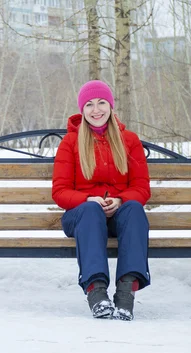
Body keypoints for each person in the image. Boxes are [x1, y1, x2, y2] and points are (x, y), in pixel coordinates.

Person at [52, 80, 151, 321]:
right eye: (89, 104)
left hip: (118, 215)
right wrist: (89, 199)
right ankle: (96, 293)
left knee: (135, 210)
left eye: (101, 102)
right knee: (90, 211)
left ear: (110, 106)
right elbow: (60, 191)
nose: (96, 110)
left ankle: (126, 294)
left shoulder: (129, 140)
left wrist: (120, 200)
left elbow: (141, 187)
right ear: (82, 110)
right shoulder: (70, 143)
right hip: (82, 216)